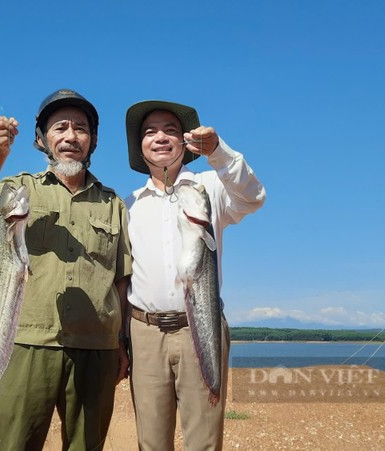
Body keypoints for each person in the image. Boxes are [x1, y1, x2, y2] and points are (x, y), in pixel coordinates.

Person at [0, 89, 132, 450]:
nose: (71, 137)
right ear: (42, 139)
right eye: (60, 127)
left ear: (93, 141)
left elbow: (120, 282)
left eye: (81, 129)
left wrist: (121, 343)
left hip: (96, 348)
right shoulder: (17, 188)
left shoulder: (114, 203)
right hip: (25, 344)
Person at [123, 100, 266, 450]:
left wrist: (217, 152)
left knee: (203, 440)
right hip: (143, 333)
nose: (160, 137)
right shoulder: (128, 204)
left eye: (170, 130)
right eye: (150, 132)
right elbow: (122, 276)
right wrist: (120, 341)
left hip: (200, 325)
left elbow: (252, 197)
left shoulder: (209, 187)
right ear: (139, 146)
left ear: (184, 143)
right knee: (151, 441)